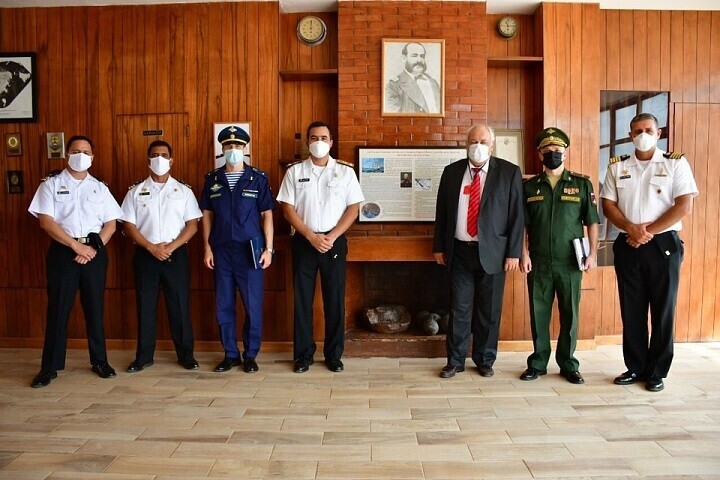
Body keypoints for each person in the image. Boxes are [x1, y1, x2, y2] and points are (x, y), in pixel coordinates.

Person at [600, 113, 698, 392]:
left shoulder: (675, 163)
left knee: (663, 308)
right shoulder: (617, 167)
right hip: (628, 243)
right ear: (630, 135)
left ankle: (657, 371)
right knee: (632, 309)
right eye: (637, 130)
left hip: (663, 244)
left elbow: (683, 206)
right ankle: (635, 366)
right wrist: (631, 228)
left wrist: (647, 231)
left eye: (648, 130)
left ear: (658, 133)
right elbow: (608, 205)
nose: (642, 134)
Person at [28, 135, 123, 388]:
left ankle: (100, 361)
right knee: (58, 309)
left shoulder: (100, 188)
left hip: (94, 252)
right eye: (75, 150)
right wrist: (75, 246)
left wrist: (92, 248)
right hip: (63, 251)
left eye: (85, 151)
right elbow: (46, 221)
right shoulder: (50, 185)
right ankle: (49, 367)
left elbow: (111, 224)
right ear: (66, 154)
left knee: (95, 308)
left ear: (92, 157)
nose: (80, 155)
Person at [433, 124, 524, 378]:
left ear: (492, 145)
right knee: (459, 309)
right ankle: (455, 360)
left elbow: (517, 217)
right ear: (465, 144)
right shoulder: (451, 173)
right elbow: (442, 213)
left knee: (489, 310)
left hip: (494, 253)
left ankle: (484, 359)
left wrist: (514, 253)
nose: (477, 146)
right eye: (473, 141)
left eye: (483, 141)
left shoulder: (509, 172)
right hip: (459, 251)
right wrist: (439, 246)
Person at [277, 121, 365, 373]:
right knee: (302, 301)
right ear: (307, 141)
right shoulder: (294, 172)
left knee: (334, 300)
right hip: (304, 242)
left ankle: (333, 355)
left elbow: (353, 208)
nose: (318, 141)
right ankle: (303, 355)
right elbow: (287, 209)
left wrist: (332, 235)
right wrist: (310, 236)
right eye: (314, 137)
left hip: (334, 243)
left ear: (331, 142)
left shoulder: (345, 172)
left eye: (323, 137)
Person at [519, 127, 600, 384]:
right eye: (547, 150)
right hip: (539, 261)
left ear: (565, 152)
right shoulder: (530, 186)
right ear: (539, 153)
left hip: (571, 261)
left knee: (570, 314)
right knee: (538, 312)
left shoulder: (580, 183)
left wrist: (593, 255)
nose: (552, 154)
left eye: (556, 150)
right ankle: (538, 362)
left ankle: (568, 364)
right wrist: (523, 253)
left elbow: (592, 222)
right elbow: (522, 224)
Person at [120, 140, 203, 373]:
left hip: (175, 256)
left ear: (171, 160)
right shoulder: (135, 191)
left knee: (180, 307)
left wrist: (171, 247)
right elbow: (129, 225)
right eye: (155, 155)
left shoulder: (183, 191)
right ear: (148, 160)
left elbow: (192, 226)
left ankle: (186, 356)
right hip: (146, 256)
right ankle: (144, 357)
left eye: (164, 155)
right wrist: (150, 247)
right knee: (145, 308)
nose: (159, 159)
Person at [200, 126, 274, 373]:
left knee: (252, 305)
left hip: (250, 251)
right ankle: (230, 353)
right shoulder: (212, 179)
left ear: (245, 149)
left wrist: (269, 249)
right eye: (229, 146)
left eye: (238, 146)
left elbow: (267, 216)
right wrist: (207, 248)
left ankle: (250, 355)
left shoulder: (258, 178)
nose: (234, 150)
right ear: (222, 150)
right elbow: (207, 216)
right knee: (224, 305)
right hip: (221, 250)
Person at [385, 42, 441, 114]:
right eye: (414, 56)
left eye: (422, 56)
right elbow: (394, 117)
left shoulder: (433, 82)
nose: (419, 60)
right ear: (404, 58)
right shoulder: (394, 85)